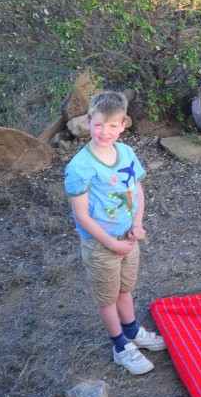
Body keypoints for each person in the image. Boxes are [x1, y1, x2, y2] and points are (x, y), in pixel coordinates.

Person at [64, 91, 167, 374]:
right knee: (108, 298)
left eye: (112, 126)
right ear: (88, 122)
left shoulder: (127, 153)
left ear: (123, 125)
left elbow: (136, 189)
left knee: (125, 289)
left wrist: (137, 223)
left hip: (128, 238)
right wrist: (112, 243)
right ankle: (120, 345)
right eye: (98, 125)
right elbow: (82, 216)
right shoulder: (80, 167)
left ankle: (132, 331)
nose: (104, 132)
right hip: (101, 245)